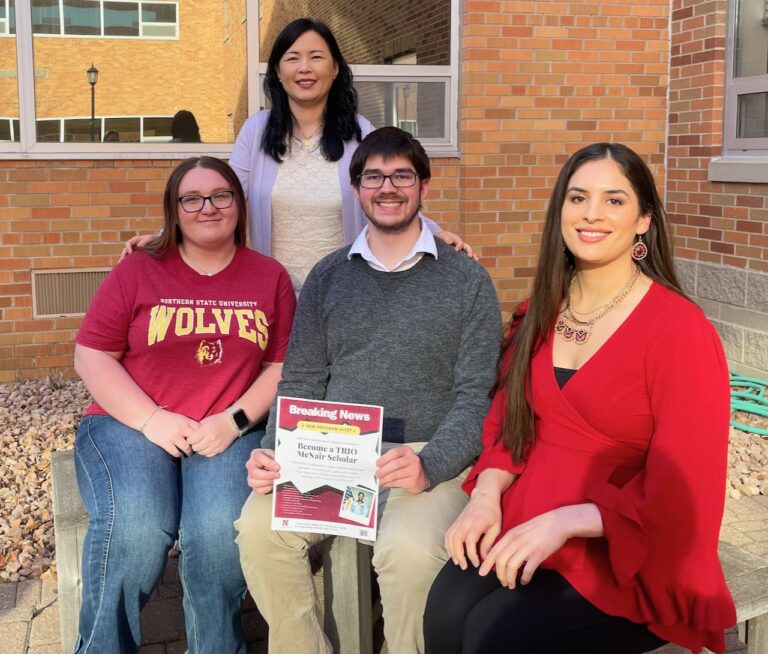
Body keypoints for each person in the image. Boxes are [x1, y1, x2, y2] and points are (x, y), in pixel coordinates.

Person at [423, 143, 736, 654]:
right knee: (444, 616)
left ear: (643, 221)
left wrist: (567, 520)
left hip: (626, 545)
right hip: (528, 515)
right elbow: (508, 420)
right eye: (578, 198)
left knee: (491, 637)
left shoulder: (680, 331)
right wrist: (485, 495)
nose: (592, 214)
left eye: (614, 200)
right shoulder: (542, 310)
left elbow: (685, 490)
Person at [234, 126, 502, 654]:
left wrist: (432, 463)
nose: (388, 187)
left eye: (402, 174)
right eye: (373, 175)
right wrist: (271, 452)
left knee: (406, 549)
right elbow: (304, 380)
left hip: (426, 454)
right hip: (335, 453)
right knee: (259, 532)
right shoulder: (329, 277)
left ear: (425, 185)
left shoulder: (466, 280)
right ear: (356, 189)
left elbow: (477, 396)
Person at [72, 156, 296, 653]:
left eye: (221, 195)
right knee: (136, 531)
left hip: (224, 430)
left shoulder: (269, 277)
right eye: (191, 198)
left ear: (239, 204)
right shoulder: (139, 270)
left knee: (216, 539)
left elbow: (279, 366)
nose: (207, 208)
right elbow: (91, 354)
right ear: (174, 210)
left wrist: (234, 421)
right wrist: (151, 419)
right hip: (128, 423)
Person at [123, 19, 471, 291]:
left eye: (316, 57)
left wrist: (433, 233)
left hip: (345, 287)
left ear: (334, 69)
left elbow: (388, 195)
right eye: (293, 58)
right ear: (277, 70)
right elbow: (223, 199)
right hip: (272, 291)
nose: (305, 68)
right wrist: (166, 235)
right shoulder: (255, 131)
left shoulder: (359, 131)